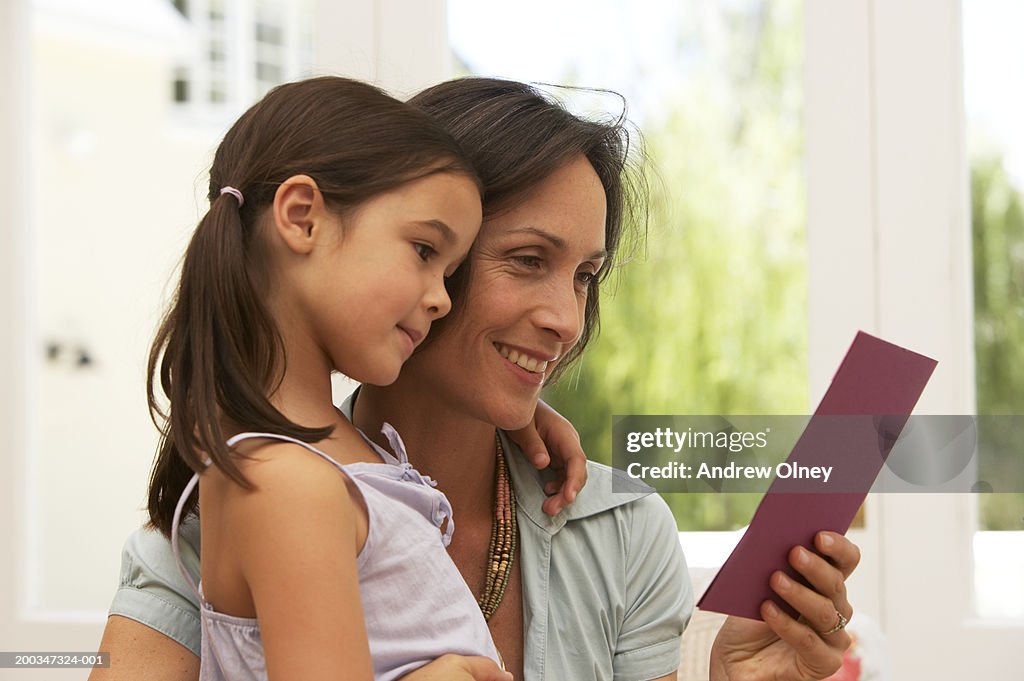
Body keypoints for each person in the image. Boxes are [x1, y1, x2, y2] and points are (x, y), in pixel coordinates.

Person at [92, 77, 860, 681]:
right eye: (527, 260)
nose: (566, 317)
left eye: (585, 275)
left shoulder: (621, 530)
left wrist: (729, 678)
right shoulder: (233, 508)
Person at [135, 74, 523, 681]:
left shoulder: (327, 463)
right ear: (302, 217)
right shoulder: (288, 484)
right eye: (425, 251)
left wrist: (527, 419)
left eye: (449, 274)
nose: (441, 299)